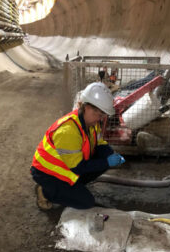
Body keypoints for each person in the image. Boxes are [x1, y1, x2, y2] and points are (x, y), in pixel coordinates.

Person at [31, 82, 126, 210]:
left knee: (102, 162)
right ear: (85, 107)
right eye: (97, 113)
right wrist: (107, 162)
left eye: (102, 115)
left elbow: (99, 143)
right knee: (86, 202)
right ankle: (45, 191)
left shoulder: (91, 123)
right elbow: (78, 167)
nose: (100, 118)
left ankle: (73, 188)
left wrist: (110, 155)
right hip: (48, 174)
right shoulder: (68, 131)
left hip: (68, 167)